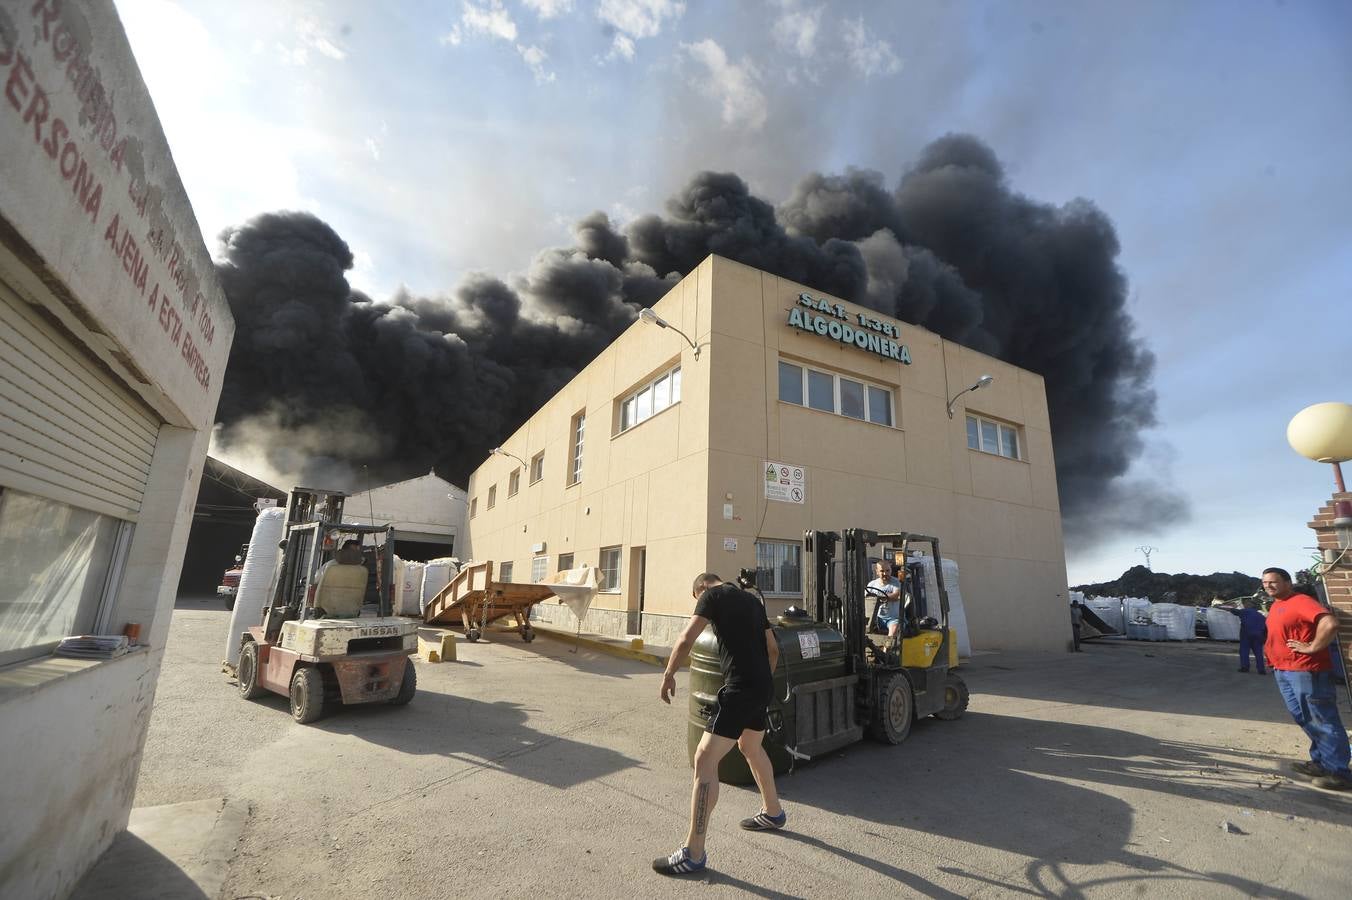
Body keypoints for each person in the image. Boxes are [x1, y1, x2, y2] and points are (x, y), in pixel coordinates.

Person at [654, 573, 784, 876]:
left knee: (704, 758)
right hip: (763, 685)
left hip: (741, 689)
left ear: (700, 588)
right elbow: (773, 649)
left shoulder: (711, 596)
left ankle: (693, 852)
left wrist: (668, 674)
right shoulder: (752, 600)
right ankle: (774, 812)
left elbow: (687, 638)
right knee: (750, 745)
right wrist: (761, 682)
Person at [1261, 567, 1351, 791]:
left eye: (1273, 582)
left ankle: (1339, 772)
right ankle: (1321, 762)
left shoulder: (1300, 601)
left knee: (1322, 719)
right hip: (1284, 670)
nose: (1268, 586)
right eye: (1264, 583)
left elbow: (1330, 623)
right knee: (1305, 718)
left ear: (1287, 583)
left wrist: (1312, 647)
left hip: (1306, 671)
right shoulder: (1277, 605)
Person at [1220, 599, 1268, 674]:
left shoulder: (1244, 612)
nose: (1244, 605)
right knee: (1258, 652)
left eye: (1245, 604)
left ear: (1249, 605)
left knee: (1244, 651)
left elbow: (1231, 610)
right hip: (1259, 636)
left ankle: (1245, 667)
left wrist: (1219, 606)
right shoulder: (1261, 616)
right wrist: (1265, 638)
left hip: (1246, 634)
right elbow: (1266, 627)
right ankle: (1261, 669)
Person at [868, 560, 905, 643]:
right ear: (877, 572)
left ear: (891, 570)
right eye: (882, 571)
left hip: (892, 619)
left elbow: (896, 595)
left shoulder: (897, 582)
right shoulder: (871, 585)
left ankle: (886, 653)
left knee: (894, 630)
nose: (885, 573)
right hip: (876, 618)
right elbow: (866, 599)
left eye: (887, 570)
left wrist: (879, 598)